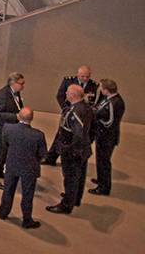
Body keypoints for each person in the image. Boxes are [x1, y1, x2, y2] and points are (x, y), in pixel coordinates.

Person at [46, 84, 95, 215]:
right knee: (80, 176)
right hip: (84, 150)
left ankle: (66, 205)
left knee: (70, 178)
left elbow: (78, 135)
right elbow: (92, 129)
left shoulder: (74, 112)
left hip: (73, 151)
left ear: (73, 95)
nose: (66, 94)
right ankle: (75, 198)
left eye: (67, 92)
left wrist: (68, 149)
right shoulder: (87, 108)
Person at [0, 107, 46, 229]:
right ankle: (27, 219)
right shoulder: (38, 135)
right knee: (27, 194)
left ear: (18, 116)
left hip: (12, 164)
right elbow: (42, 154)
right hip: (29, 168)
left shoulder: (8, 128)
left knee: (8, 189)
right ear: (32, 119)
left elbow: (5, 144)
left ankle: (3, 211)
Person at [43, 65, 98, 166]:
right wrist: (66, 109)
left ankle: (76, 155)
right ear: (78, 74)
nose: (85, 78)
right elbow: (60, 96)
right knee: (61, 134)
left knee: (79, 135)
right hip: (69, 113)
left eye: (87, 76)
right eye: (82, 76)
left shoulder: (94, 85)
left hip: (83, 115)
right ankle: (51, 158)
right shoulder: (68, 81)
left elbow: (94, 102)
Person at [0, 72, 25, 189]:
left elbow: (18, 106)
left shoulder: (16, 93)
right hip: (0, 129)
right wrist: (16, 117)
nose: (23, 86)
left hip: (9, 129)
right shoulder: (2, 95)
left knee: (5, 152)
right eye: (21, 83)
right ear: (13, 83)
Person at [90, 78, 125, 196]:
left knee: (103, 162)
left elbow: (109, 122)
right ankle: (101, 179)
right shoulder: (109, 99)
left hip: (106, 137)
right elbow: (99, 108)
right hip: (103, 135)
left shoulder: (114, 103)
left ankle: (103, 187)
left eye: (101, 88)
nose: (100, 89)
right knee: (100, 160)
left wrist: (95, 117)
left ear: (106, 90)